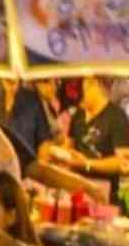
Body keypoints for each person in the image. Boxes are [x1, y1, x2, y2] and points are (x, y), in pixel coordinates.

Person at [43, 73, 129, 205]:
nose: (80, 95)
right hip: (76, 189)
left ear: (94, 85)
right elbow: (68, 145)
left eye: (83, 88)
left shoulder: (116, 117)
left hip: (104, 192)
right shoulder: (78, 115)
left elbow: (122, 163)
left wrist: (87, 164)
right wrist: (59, 154)